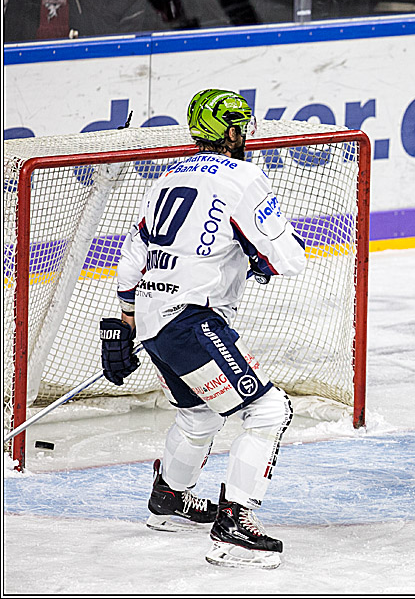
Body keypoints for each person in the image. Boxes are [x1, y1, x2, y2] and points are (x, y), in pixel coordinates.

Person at [100, 89, 307, 569]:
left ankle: (170, 497)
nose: (247, 135)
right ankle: (233, 528)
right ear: (232, 131)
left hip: (154, 316)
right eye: (243, 126)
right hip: (192, 316)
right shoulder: (245, 176)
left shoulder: (167, 177)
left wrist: (125, 325)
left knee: (199, 415)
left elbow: (134, 257)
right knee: (269, 409)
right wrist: (260, 258)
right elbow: (286, 258)